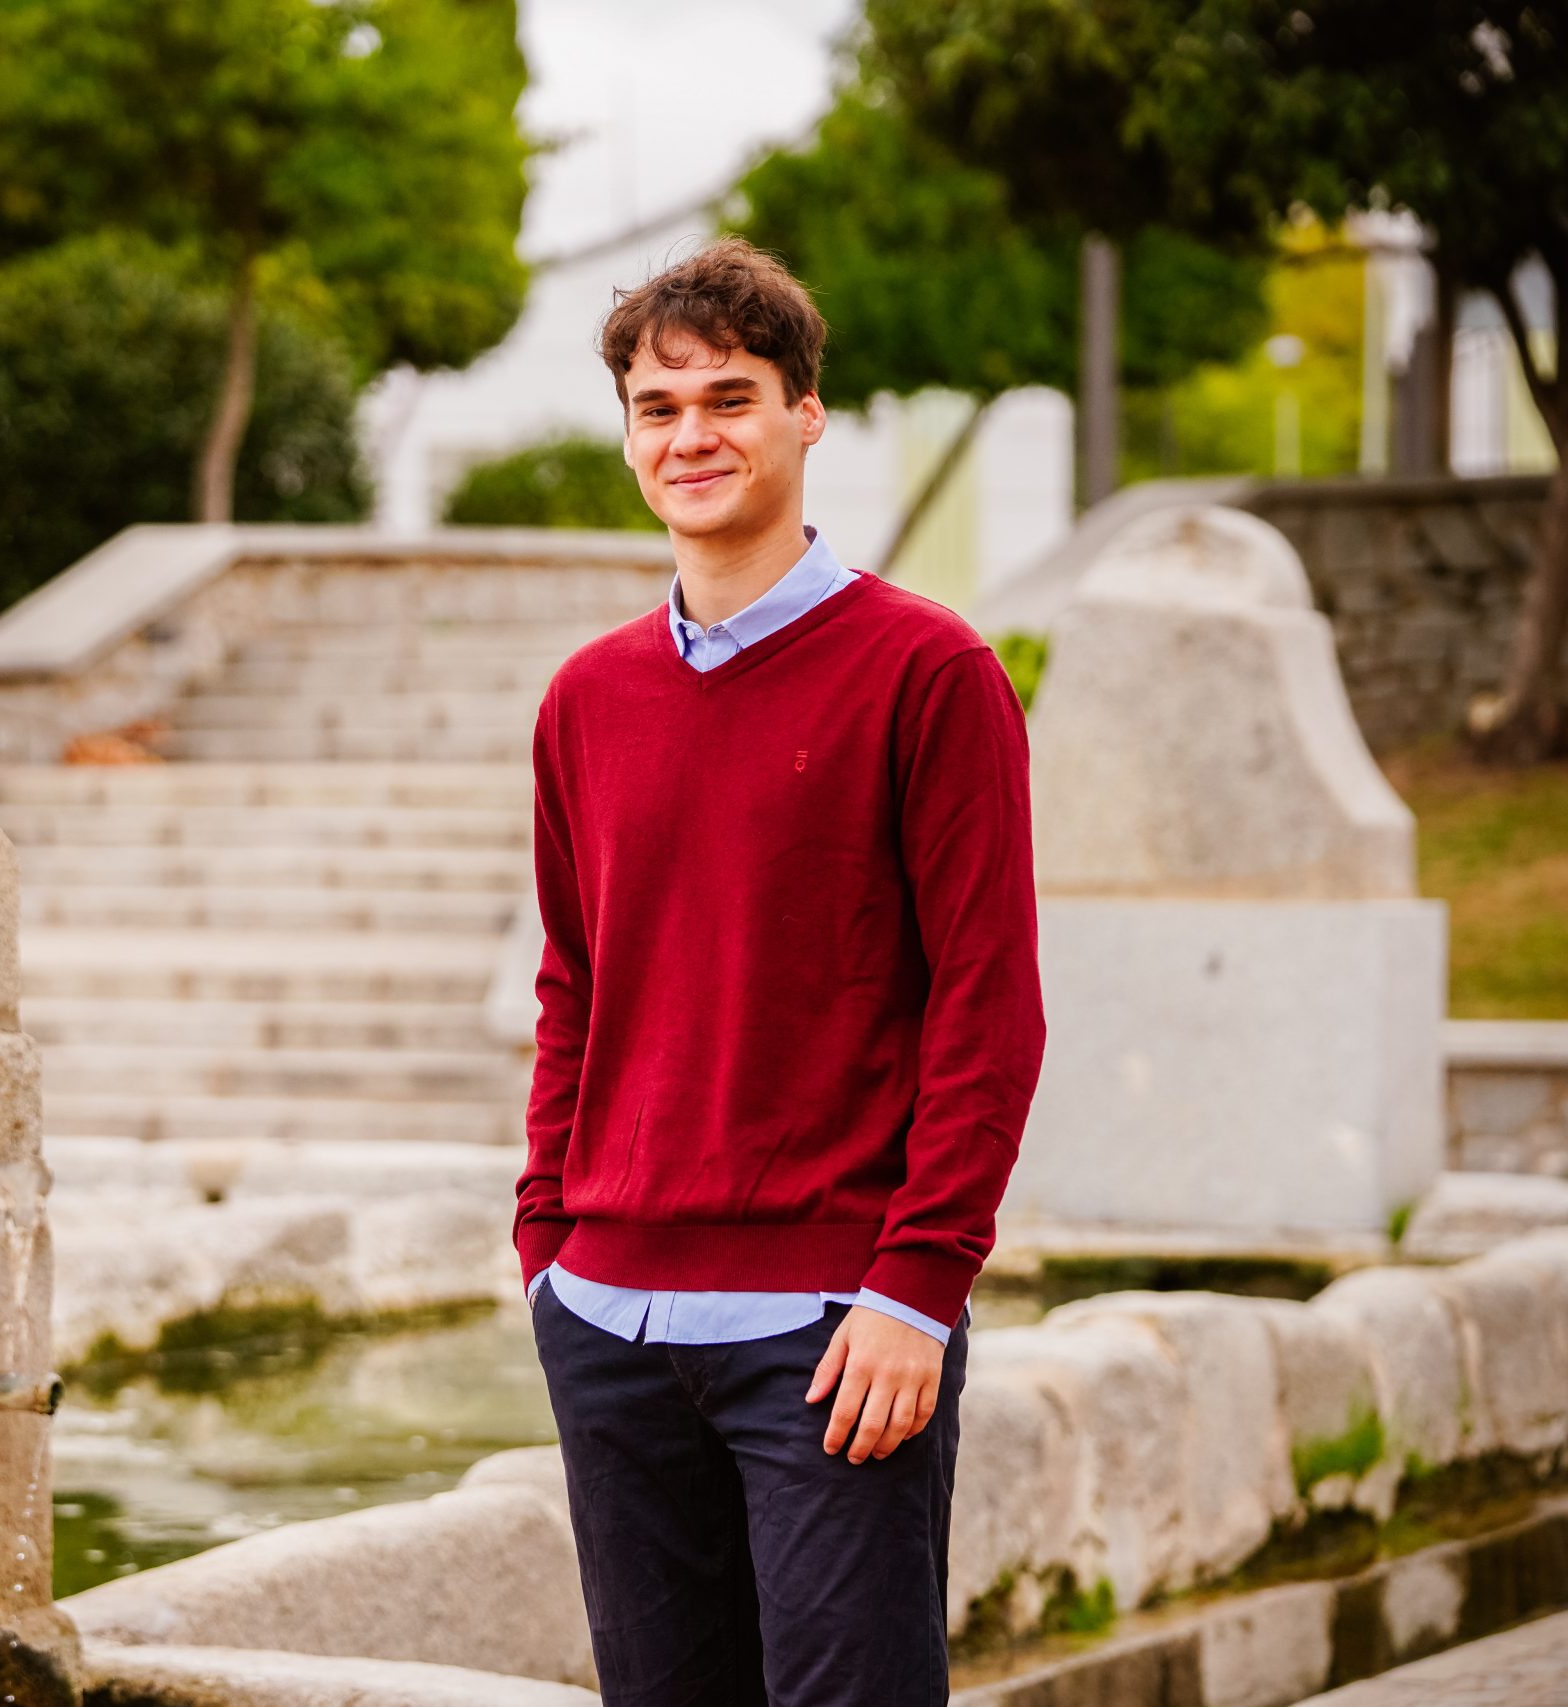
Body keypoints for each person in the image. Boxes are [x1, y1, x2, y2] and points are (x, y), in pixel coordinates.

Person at [517, 238, 1046, 1707]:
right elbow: (577, 987)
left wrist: (919, 1284)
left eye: (729, 399)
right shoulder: (585, 701)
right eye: (657, 406)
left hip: (831, 1334)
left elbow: (988, 1006)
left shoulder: (929, 675)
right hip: (609, 1322)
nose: (691, 436)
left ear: (808, 414)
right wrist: (546, 1251)